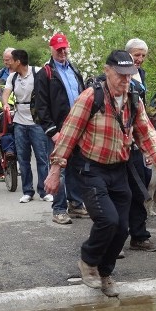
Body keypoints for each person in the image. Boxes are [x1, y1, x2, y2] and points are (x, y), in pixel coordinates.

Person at [45, 50, 156, 297]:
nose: (125, 81)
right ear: (107, 71)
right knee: (108, 220)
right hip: (90, 169)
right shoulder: (91, 97)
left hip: (119, 169)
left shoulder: (134, 99)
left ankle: (105, 273)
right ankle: (87, 261)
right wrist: (55, 171)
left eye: (129, 76)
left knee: (123, 228)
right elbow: (68, 134)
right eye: (120, 75)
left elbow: (146, 132)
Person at [34, 32, 89, 224]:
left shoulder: (75, 70)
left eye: (65, 48)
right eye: (59, 49)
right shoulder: (45, 74)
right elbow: (41, 107)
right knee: (59, 170)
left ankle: (75, 204)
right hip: (59, 131)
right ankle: (58, 208)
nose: (63, 52)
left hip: (78, 130)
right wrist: (52, 132)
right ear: (52, 50)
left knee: (76, 168)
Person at [123, 38, 156, 252]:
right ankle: (115, 239)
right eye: (136, 55)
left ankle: (139, 236)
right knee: (121, 190)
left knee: (141, 184)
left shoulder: (142, 75)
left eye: (143, 56)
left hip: (137, 141)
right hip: (120, 143)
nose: (140, 59)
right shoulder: (118, 76)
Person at [2, 49, 52, 202]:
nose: (9, 63)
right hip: (19, 121)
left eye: (11, 60)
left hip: (36, 122)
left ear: (18, 61)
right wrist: (5, 104)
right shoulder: (13, 76)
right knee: (23, 158)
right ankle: (27, 191)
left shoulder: (38, 72)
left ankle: (44, 191)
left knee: (42, 158)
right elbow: (5, 93)